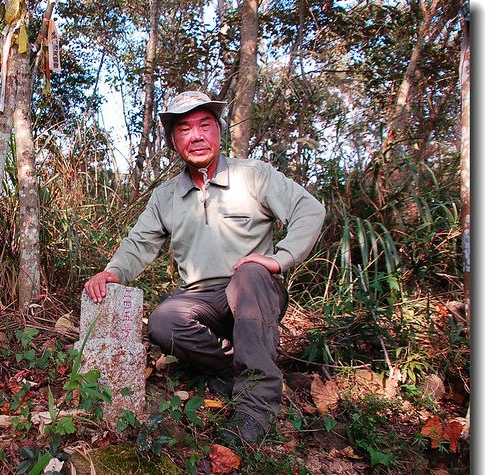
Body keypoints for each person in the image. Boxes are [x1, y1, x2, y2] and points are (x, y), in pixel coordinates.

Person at [84, 91, 325, 446]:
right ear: (173, 141)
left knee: (249, 274)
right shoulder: (166, 196)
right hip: (202, 300)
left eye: (204, 126)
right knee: (165, 321)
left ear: (218, 132)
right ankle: (232, 366)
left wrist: (278, 259)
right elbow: (140, 243)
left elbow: (310, 210)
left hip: (255, 291)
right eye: (184, 129)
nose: (196, 136)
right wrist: (113, 271)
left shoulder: (253, 175)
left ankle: (257, 406)